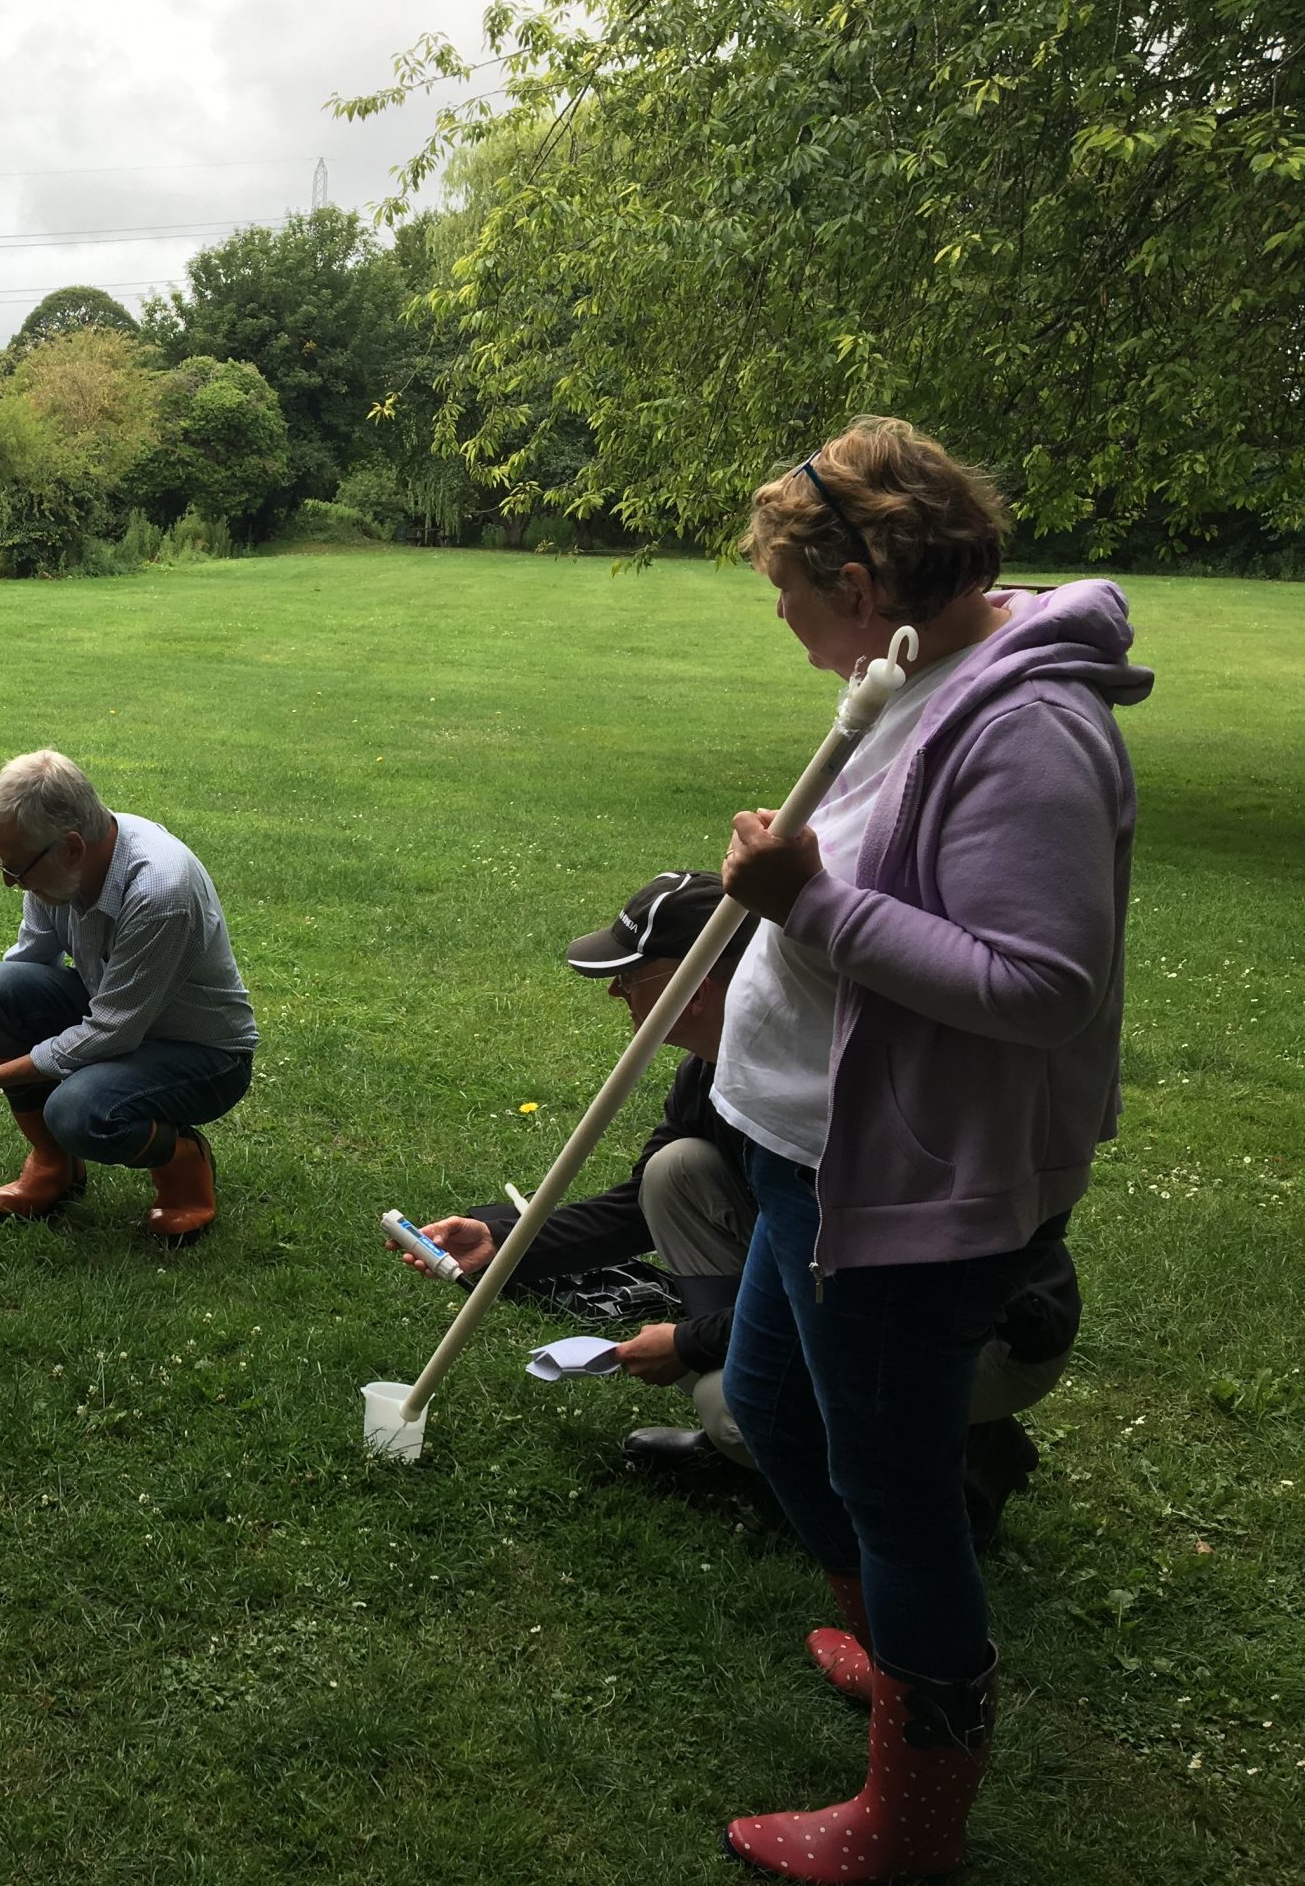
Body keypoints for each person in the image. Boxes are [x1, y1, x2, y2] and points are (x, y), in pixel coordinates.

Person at [707, 418, 1145, 1881]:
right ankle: (898, 1649)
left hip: (899, 1184)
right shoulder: (906, 666)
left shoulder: (1028, 725)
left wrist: (807, 902)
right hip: (800, 1147)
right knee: (771, 1406)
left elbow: (1042, 985)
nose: (775, 608)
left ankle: (912, 1817)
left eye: (787, 580)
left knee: (897, 1487)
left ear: (864, 571)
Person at [401, 872, 1077, 1536]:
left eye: (632, 976)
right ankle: (807, 1437)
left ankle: (957, 1460)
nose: (615, 993)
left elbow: (839, 1280)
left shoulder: (827, 1089)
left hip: (982, 1335)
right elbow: (644, 1205)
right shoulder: (714, 1066)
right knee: (677, 1171)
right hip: (842, 1294)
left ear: (695, 987)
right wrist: (506, 1240)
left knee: (734, 1406)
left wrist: (692, 1345)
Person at [0, 750, 255, 1239]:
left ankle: (183, 1166)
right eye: (2, 863)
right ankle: (54, 1166)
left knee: (77, 1110)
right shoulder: (58, 864)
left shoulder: (159, 893)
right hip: (115, 1016)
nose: (10, 881)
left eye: (18, 868)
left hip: (202, 1055)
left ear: (70, 847)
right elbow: (26, 967)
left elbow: (109, 1033)